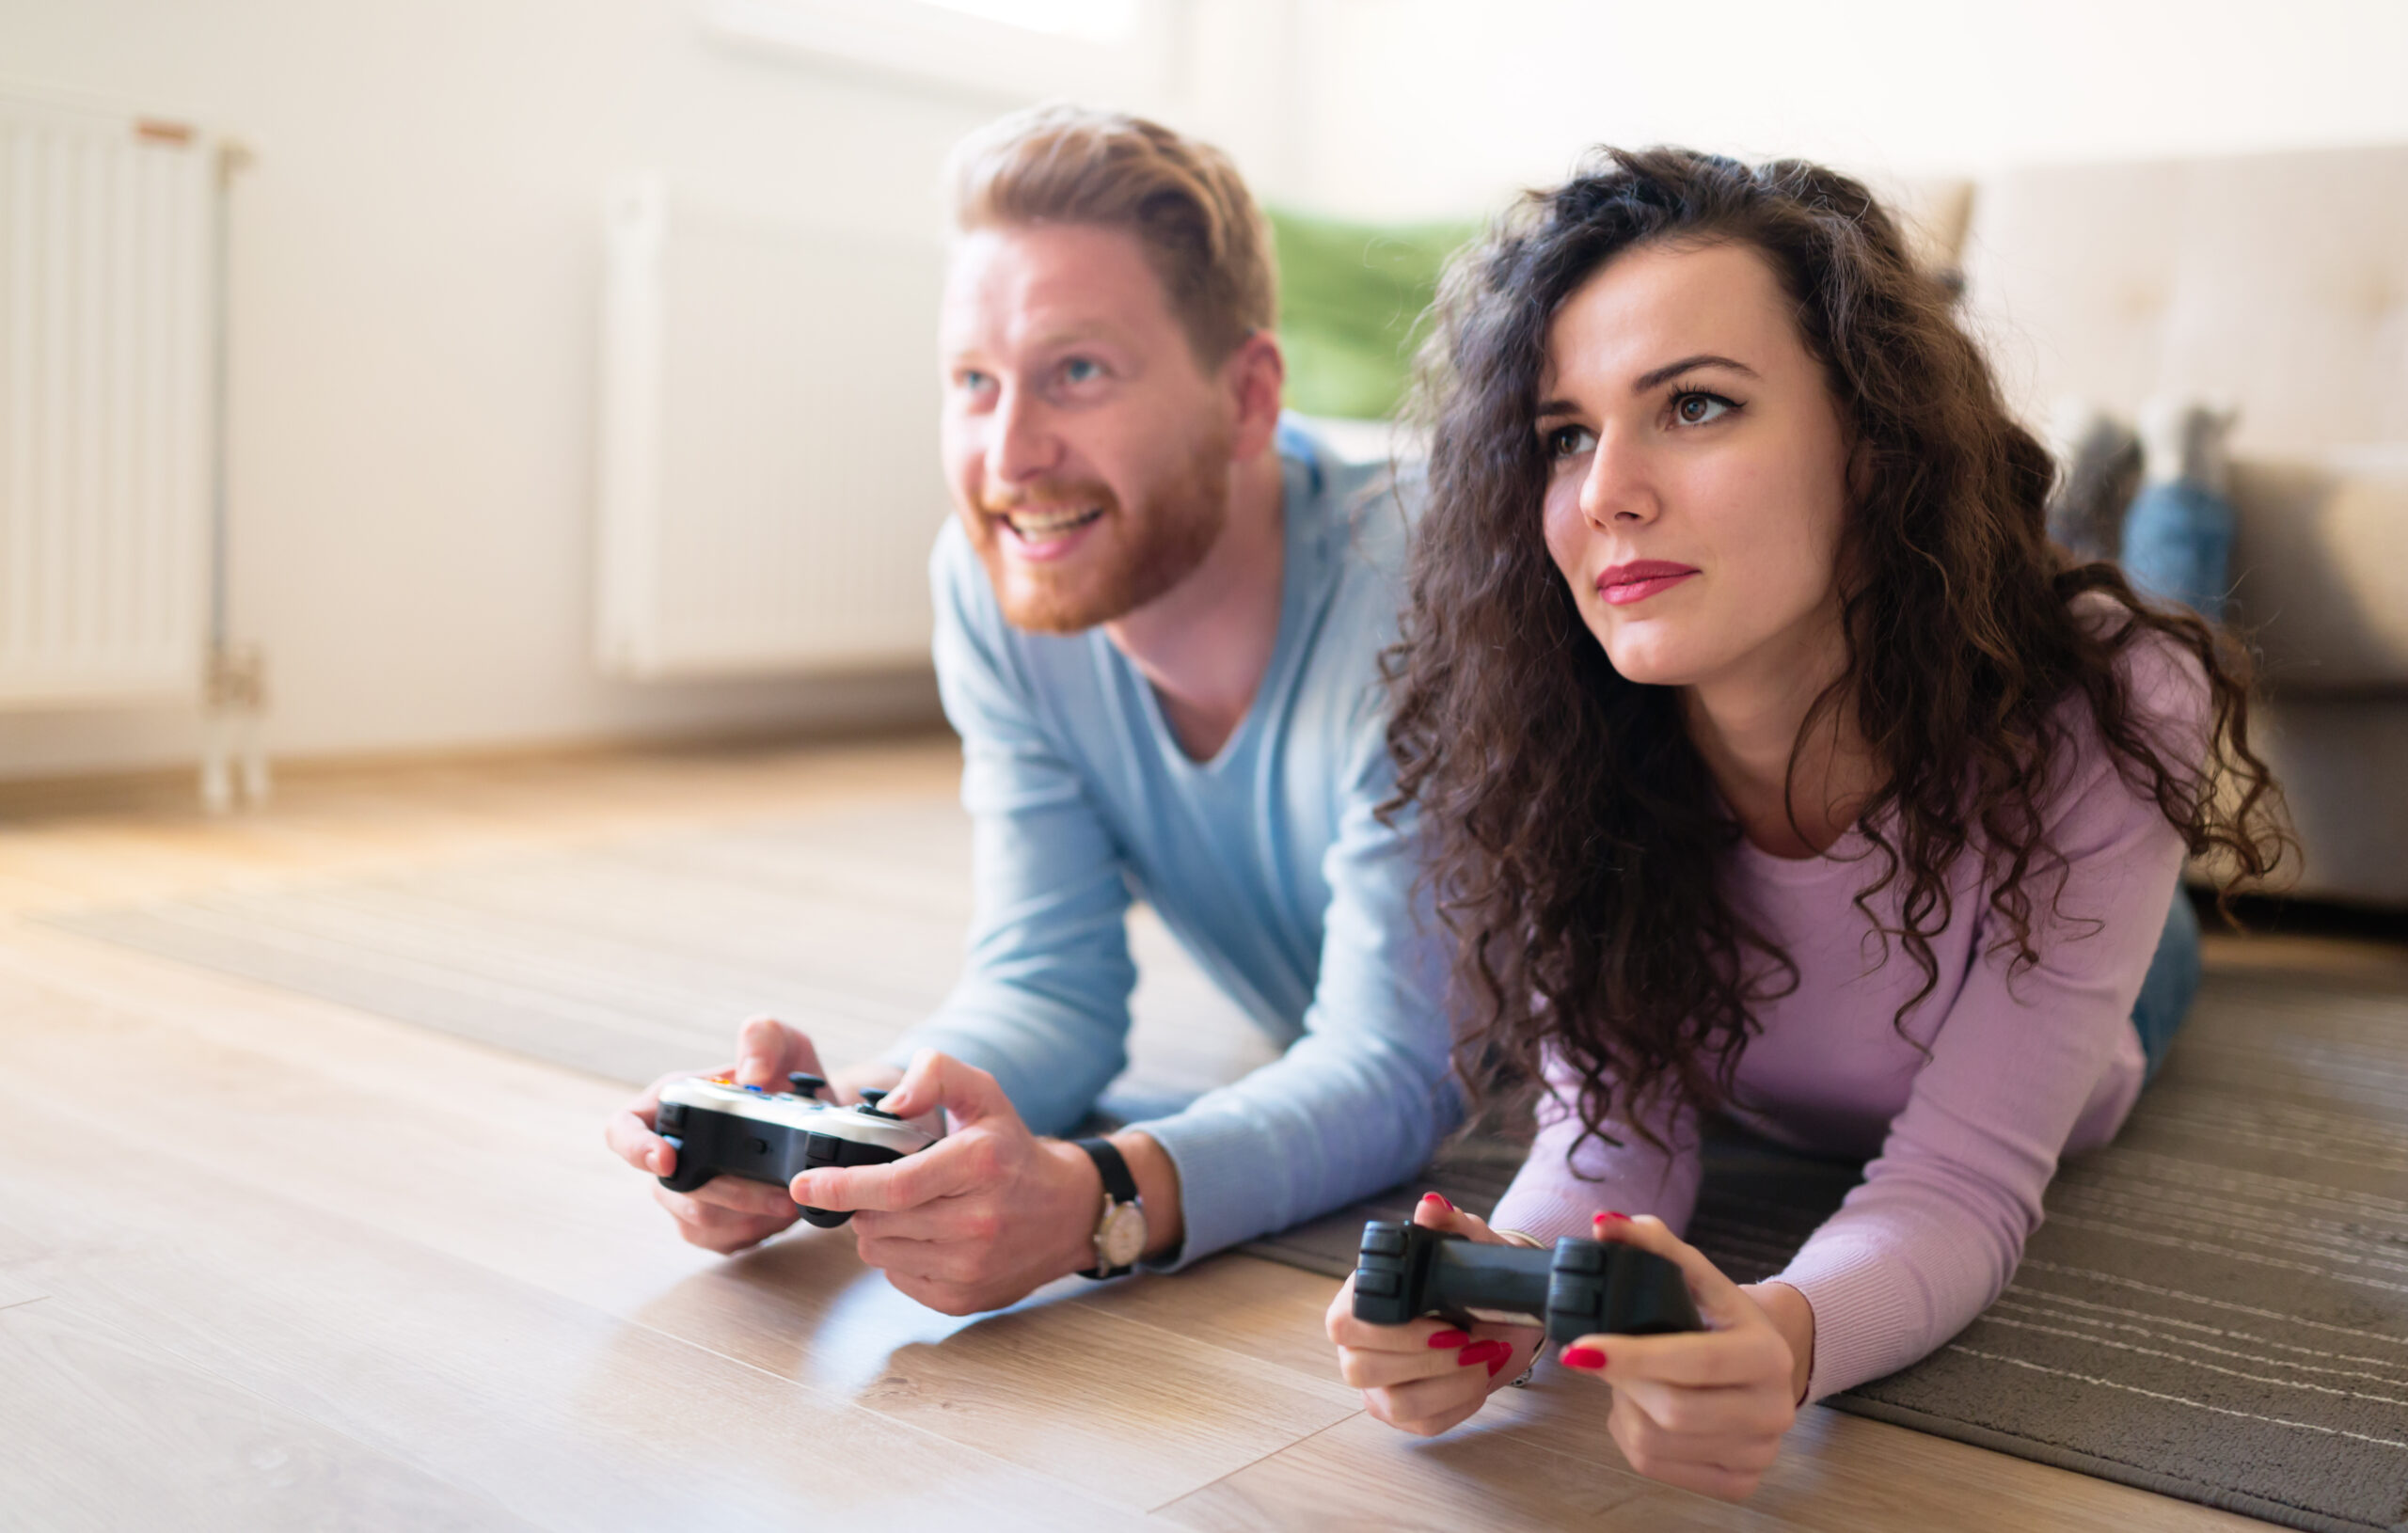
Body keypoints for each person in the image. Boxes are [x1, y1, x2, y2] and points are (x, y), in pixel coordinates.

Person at [1324, 148, 2287, 1499]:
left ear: (1874, 449)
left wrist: (1784, 1334)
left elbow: (1959, 1184)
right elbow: (1607, 1143)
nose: (1606, 495)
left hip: (2111, 975)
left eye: (1697, 405)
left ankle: (2179, 465)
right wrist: (1503, 1296)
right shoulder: (1575, 737)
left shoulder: (2106, 708)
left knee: (2152, 611)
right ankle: (2108, 469)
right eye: (1566, 434)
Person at [603, 104, 1456, 1315]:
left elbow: (1404, 1068)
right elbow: (1049, 978)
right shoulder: (992, 579)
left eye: (1078, 372)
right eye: (973, 381)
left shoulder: (1425, 570)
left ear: (1249, 394)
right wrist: (854, 1131)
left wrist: (1097, 1200)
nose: (1009, 456)